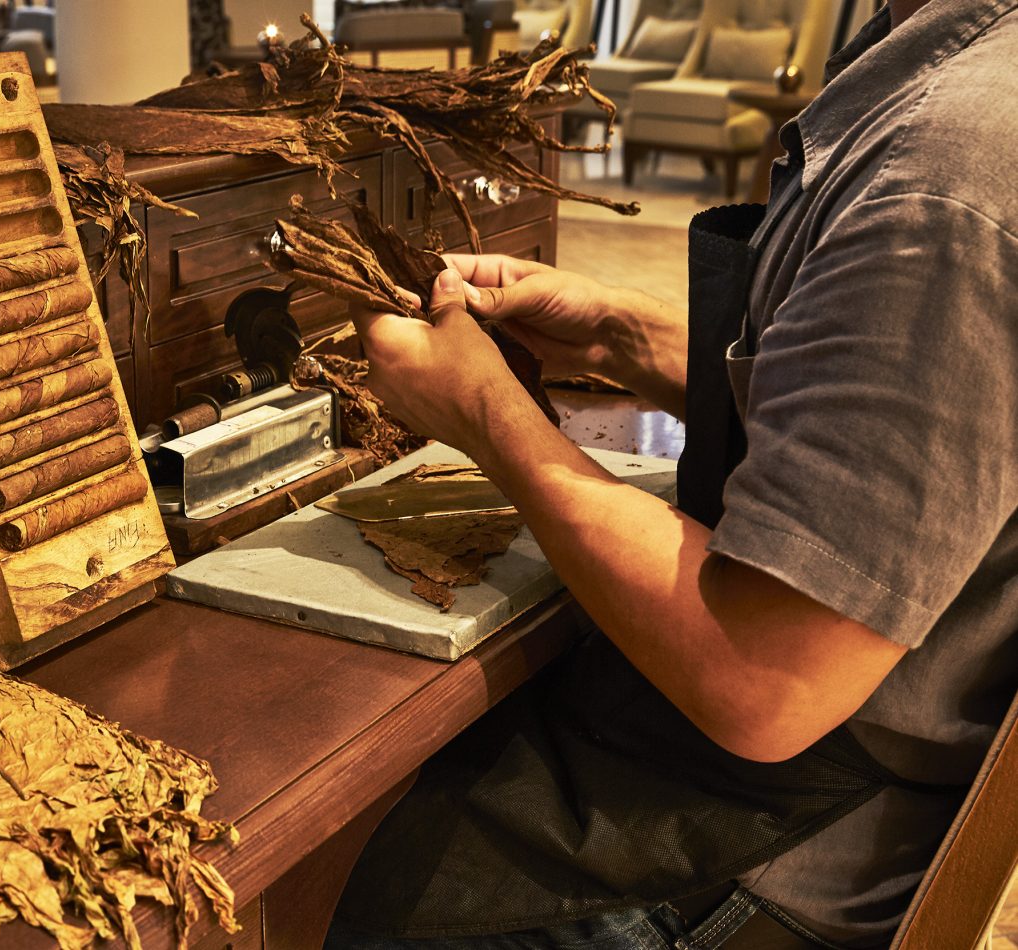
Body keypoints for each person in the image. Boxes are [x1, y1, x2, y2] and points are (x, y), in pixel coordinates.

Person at [325, 0, 1018, 947]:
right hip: (805, 776)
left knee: (377, 868)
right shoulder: (947, 85)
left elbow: (767, 680)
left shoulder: (947, 173)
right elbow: (900, 416)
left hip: (772, 853)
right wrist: (625, 337)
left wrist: (490, 415)